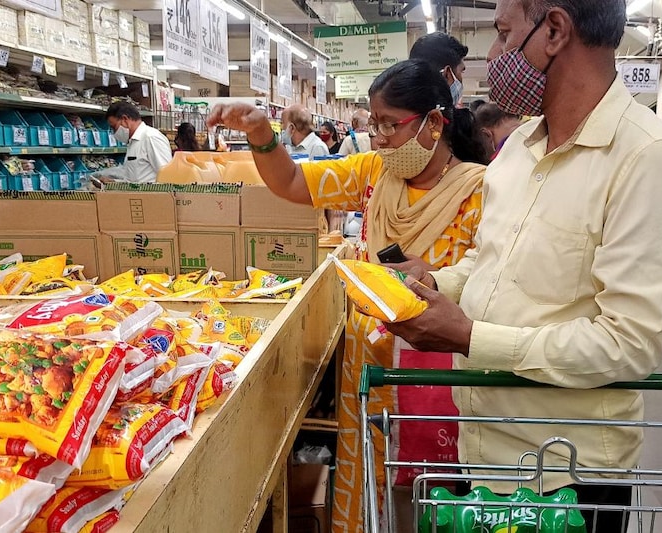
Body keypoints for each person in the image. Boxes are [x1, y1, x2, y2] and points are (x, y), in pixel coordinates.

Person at [385, 2, 662, 532]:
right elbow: (490, 259)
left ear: (554, 30)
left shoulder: (649, 160)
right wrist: (436, 282)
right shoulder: (517, 152)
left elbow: (628, 344)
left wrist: (470, 337)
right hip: (482, 450)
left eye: (503, 33)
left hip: (566, 474)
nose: (494, 55)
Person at [208, 59, 488, 533]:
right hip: (367, 367)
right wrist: (261, 133)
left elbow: (483, 276)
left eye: (390, 126)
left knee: (428, 501)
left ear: (434, 123)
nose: (378, 138)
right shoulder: (373, 174)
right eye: (374, 124)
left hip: (435, 379)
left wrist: (431, 277)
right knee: (368, 494)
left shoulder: (477, 191)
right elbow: (292, 182)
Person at [100, 101, 172, 184]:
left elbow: (167, 178)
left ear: (125, 119)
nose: (114, 132)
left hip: (150, 196)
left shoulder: (151, 138)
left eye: (114, 127)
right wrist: (113, 183)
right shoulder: (133, 142)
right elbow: (134, 181)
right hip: (136, 196)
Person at [410, 32, 469, 108]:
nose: (461, 77)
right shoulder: (443, 118)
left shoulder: (398, 110)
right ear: (447, 74)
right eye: (461, 71)